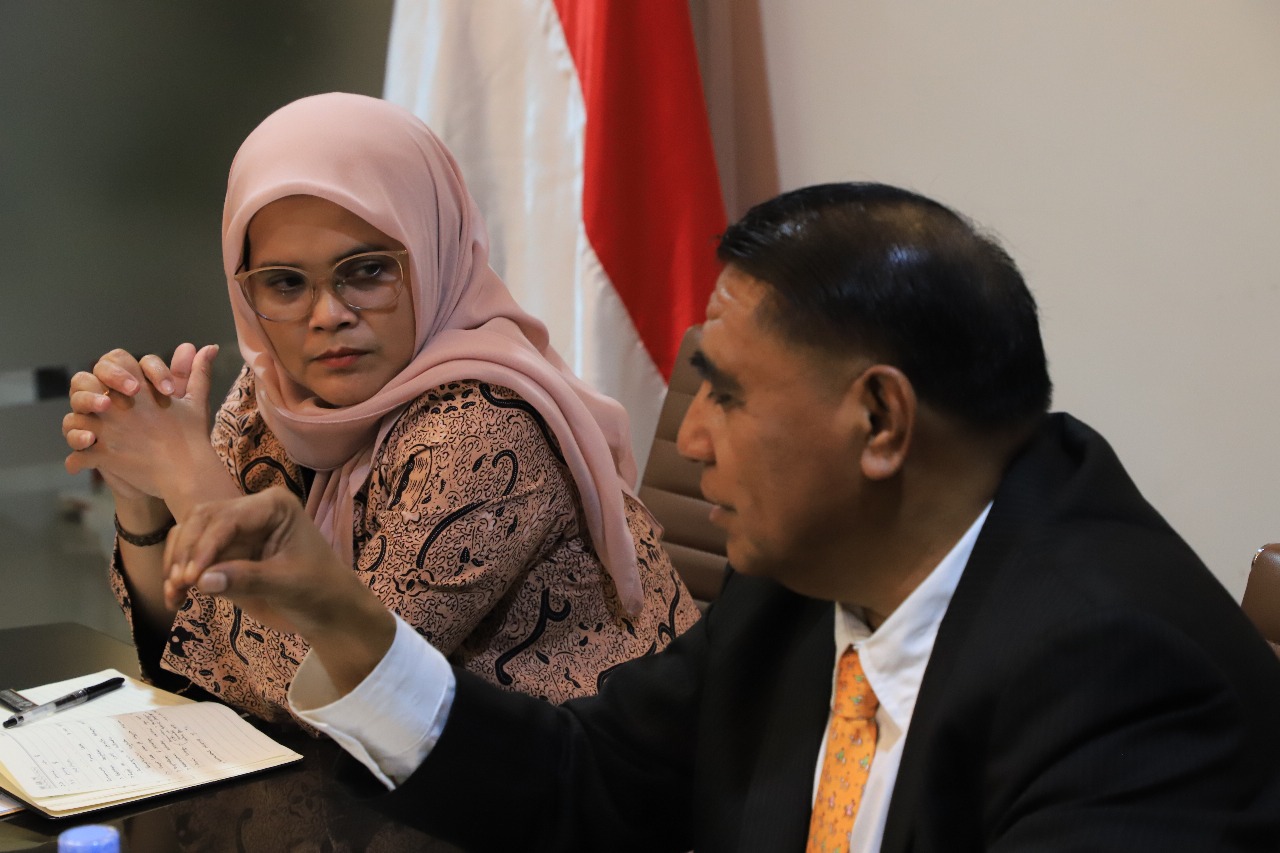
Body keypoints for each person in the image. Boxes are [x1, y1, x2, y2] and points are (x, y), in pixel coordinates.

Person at [160, 182, 1280, 851]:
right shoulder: (801, 584)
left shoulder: (1116, 668)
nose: (689, 440)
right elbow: (587, 783)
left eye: (727, 395)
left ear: (879, 420)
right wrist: (347, 621)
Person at [61, 92, 699, 724]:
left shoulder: (488, 427)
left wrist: (183, 469)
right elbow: (182, 651)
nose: (327, 315)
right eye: (285, 283)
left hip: (582, 780)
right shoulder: (274, 395)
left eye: (366, 271)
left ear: (432, 252)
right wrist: (139, 493)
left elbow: (328, 692)